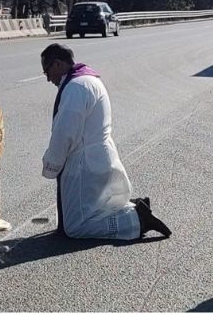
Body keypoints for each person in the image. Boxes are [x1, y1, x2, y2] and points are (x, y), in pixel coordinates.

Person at [40, 43, 171, 240]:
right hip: (97, 157)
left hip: (84, 164)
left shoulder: (76, 87)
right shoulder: (88, 80)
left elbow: (65, 132)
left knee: (76, 226)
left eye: (46, 71)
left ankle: (136, 219)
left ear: (57, 64)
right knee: (93, 209)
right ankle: (135, 209)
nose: (48, 78)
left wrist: (51, 164)